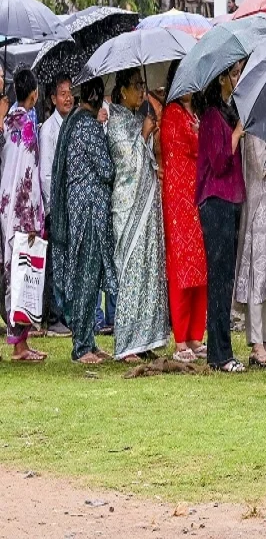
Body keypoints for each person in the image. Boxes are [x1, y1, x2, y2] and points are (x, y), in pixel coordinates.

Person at [49, 79, 115, 365]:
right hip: (89, 213)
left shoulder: (74, 121)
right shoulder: (88, 126)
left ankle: (88, 339)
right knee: (87, 278)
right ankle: (82, 346)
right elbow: (107, 170)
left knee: (87, 277)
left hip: (79, 211)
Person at [107, 68, 169, 363]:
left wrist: (148, 135)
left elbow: (148, 158)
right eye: (136, 86)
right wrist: (144, 133)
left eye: (143, 85)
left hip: (147, 206)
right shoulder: (116, 122)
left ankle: (145, 339)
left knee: (148, 272)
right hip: (129, 208)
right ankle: (127, 344)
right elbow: (127, 165)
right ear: (122, 91)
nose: (142, 91)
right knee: (131, 273)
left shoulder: (134, 118)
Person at [196, 64, 246, 373]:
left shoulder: (226, 113)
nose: (238, 79)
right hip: (216, 201)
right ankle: (219, 353)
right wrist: (238, 132)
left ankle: (221, 350)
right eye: (234, 74)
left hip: (231, 200)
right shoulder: (212, 117)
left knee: (226, 278)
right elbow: (219, 161)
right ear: (222, 78)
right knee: (219, 278)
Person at [159, 74, 208, 363]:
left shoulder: (193, 112)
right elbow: (193, 145)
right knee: (182, 267)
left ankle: (195, 335)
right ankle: (180, 340)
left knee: (199, 266)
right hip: (179, 200)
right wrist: (201, 133)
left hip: (196, 196)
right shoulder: (172, 114)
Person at [0, 69, 45, 361]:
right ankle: (20, 345)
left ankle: (21, 341)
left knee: (13, 272)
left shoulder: (8, 121)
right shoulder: (27, 125)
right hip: (23, 210)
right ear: (34, 93)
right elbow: (29, 173)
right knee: (24, 274)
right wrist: (33, 217)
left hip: (7, 205)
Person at [237, 133, 266, 367]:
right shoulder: (254, 130)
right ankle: (256, 343)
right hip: (259, 210)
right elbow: (261, 167)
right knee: (258, 276)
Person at [39, 74, 73, 338]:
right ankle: (53, 317)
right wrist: (55, 207)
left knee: (66, 262)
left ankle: (64, 314)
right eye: (63, 93)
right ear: (52, 98)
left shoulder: (71, 124)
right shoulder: (49, 130)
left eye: (70, 92)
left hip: (70, 204)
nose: (68, 98)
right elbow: (46, 174)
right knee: (54, 263)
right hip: (56, 207)